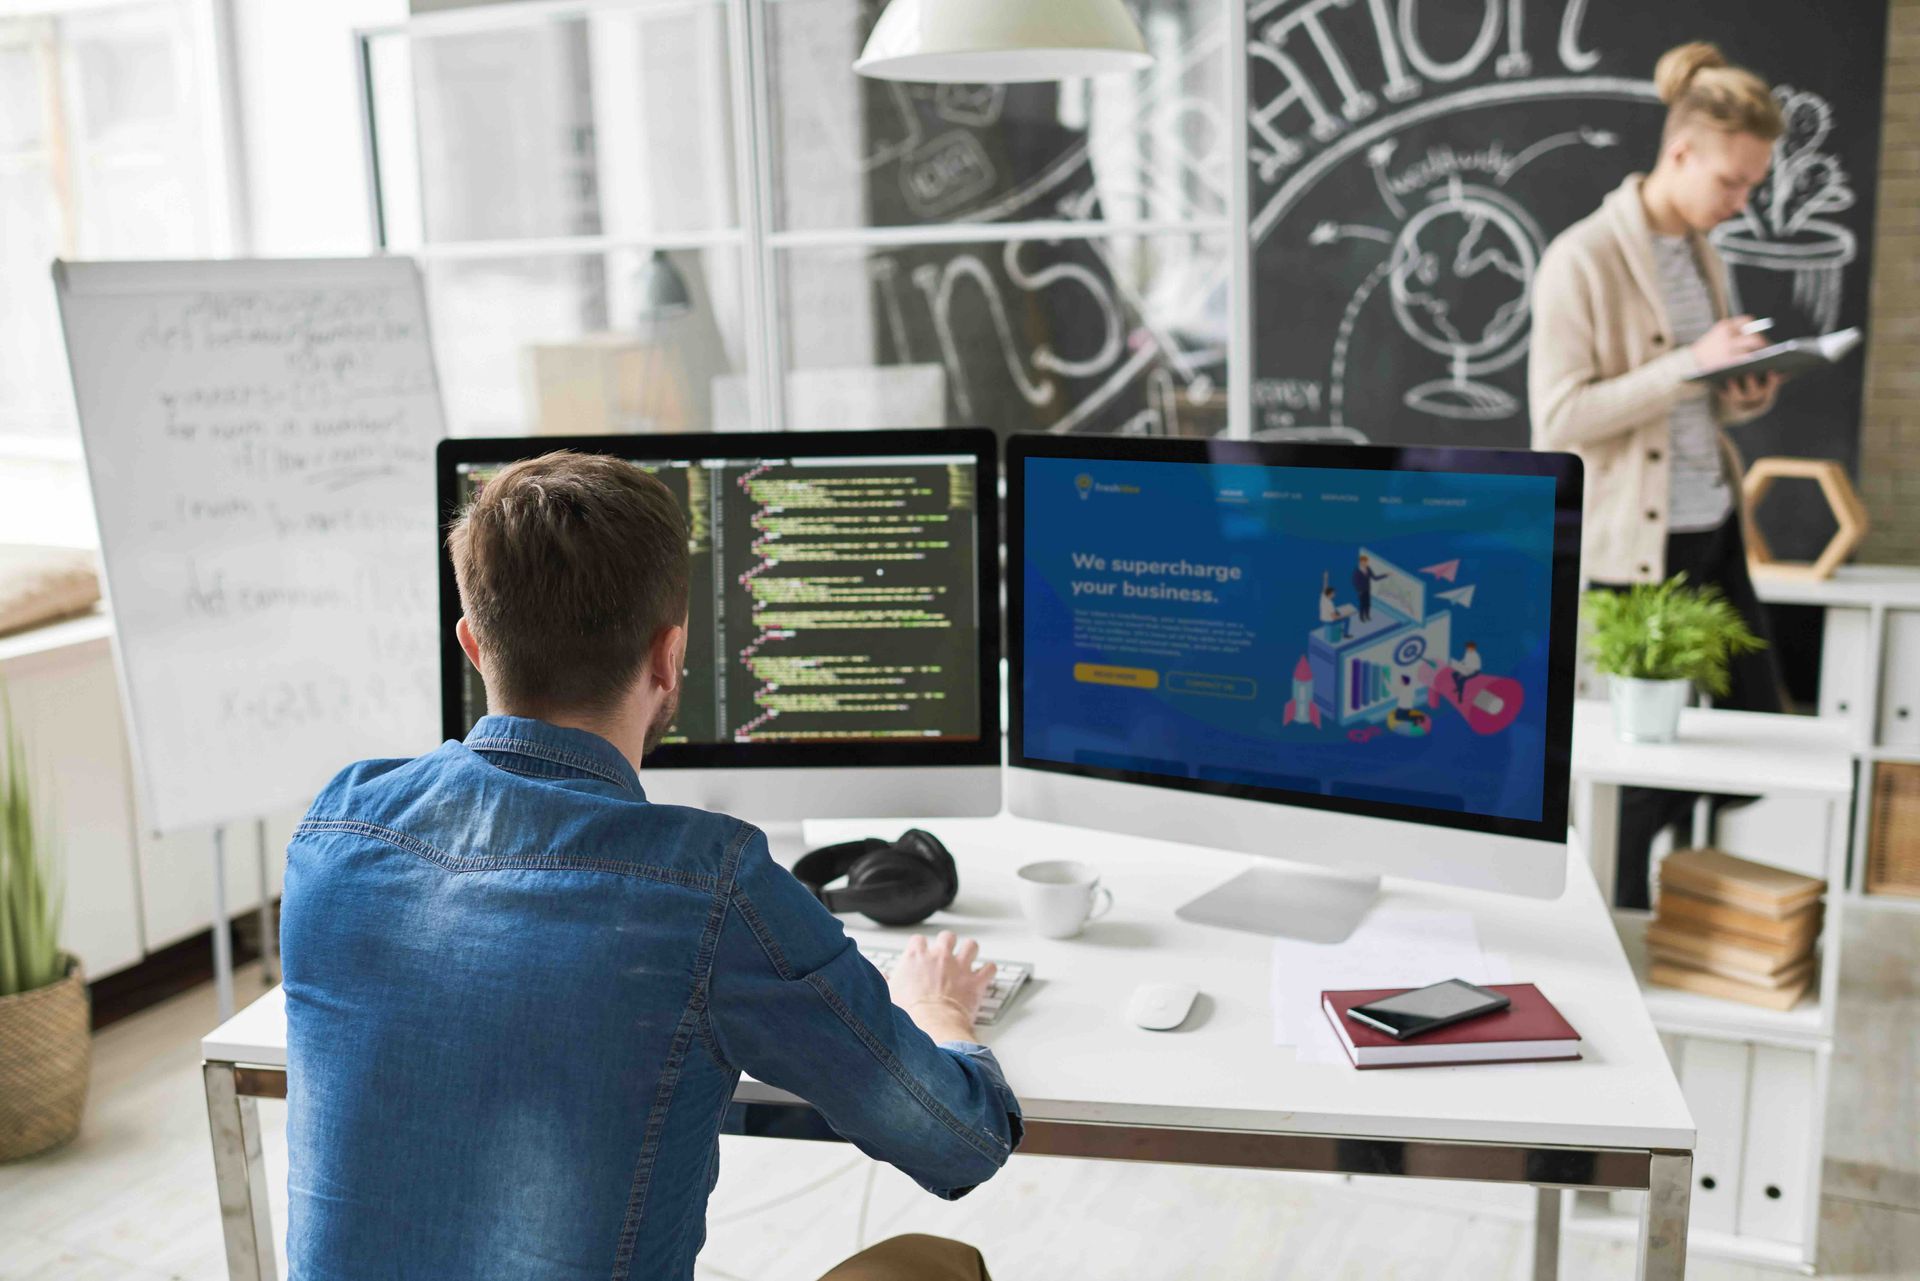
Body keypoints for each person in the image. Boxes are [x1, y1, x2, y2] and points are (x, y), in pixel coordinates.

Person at [280, 453, 1021, 1280]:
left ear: (474, 646)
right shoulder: (708, 887)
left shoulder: (335, 828)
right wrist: (941, 1010)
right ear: (669, 659)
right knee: (934, 1263)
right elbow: (961, 1140)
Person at [1530, 41, 1788, 909]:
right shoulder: (1581, 259)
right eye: (1732, 182)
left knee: (1756, 732)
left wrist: (1737, 390)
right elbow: (1559, 422)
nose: (1741, 201)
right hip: (1633, 552)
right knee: (1637, 764)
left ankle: (1667, 891)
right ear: (1680, 153)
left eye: (1751, 184)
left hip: (1711, 522)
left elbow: (1688, 399)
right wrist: (1687, 364)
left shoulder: (1701, 251)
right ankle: (1624, 919)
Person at [1353, 553, 1388, 622]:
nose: (1365, 563)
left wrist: (1385, 575)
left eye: (1366, 562)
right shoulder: (1356, 571)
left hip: (1368, 589)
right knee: (1362, 605)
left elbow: (1375, 578)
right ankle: (1361, 617)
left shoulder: (1368, 569)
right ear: (1360, 562)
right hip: (1361, 591)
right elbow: (1355, 582)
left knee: (1368, 604)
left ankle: (1367, 616)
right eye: (1363, 562)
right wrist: (1359, 590)